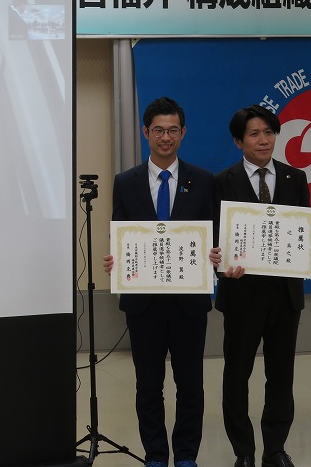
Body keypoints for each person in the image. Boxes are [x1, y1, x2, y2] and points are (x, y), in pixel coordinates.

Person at [208, 105, 311, 467]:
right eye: (254, 134)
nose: (264, 140)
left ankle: (274, 449)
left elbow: (303, 233)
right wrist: (219, 263)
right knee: (237, 375)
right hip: (241, 294)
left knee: (280, 375)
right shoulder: (221, 182)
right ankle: (243, 451)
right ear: (238, 141)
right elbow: (215, 240)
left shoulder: (295, 178)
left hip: (284, 295)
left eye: (269, 132)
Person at [103, 97, 214, 467]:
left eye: (172, 130)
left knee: (190, 385)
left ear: (183, 133)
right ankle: (155, 455)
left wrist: (216, 254)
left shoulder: (204, 181)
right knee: (148, 385)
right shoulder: (125, 182)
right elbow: (120, 232)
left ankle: (186, 455)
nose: (165, 137)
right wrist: (116, 259)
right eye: (158, 130)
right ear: (145, 132)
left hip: (188, 301)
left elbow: (213, 236)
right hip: (143, 302)